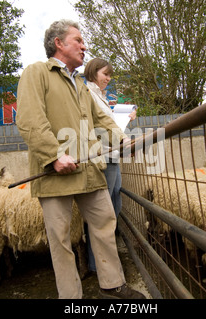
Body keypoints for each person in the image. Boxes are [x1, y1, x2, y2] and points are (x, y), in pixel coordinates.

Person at [15, 19, 145, 299]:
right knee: (60, 239)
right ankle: (70, 297)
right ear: (59, 43)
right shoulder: (37, 73)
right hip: (55, 173)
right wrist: (54, 155)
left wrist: (122, 142)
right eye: (78, 40)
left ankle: (112, 285)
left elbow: (102, 121)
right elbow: (29, 120)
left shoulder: (80, 84)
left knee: (105, 223)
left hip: (89, 171)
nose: (84, 46)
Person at [83, 57, 137, 273]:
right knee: (102, 212)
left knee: (114, 206)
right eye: (105, 74)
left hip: (112, 153)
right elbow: (96, 125)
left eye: (109, 75)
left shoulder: (100, 96)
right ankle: (98, 265)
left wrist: (124, 119)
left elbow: (107, 123)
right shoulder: (87, 94)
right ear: (94, 72)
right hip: (103, 156)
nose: (108, 78)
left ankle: (104, 261)